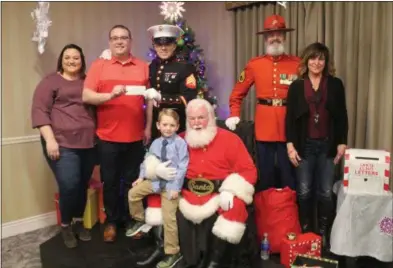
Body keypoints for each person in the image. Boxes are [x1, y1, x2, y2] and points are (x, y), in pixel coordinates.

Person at [143, 99, 258, 267]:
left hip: (217, 194)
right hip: (185, 193)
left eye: (201, 118)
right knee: (155, 194)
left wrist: (231, 190)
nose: (196, 123)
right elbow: (155, 158)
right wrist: (157, 168)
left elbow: (249, 170)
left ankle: (215, 262)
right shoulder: (178, 140)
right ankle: (165, 250)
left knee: (236, 206)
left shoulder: (230, 140)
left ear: (211, 117)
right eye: (192, 118)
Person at [82, 24, 159, 242]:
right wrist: (109, 96)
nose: (119, 41)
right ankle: (112, 221)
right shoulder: (99, 66)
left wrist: (147, 126)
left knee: (133, 181)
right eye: (114, 38)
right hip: (108, 138)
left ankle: (132, 219)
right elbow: (87, 96)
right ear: (109, 42)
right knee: (111, 182)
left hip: (136, 136)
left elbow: (149, 100)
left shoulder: (143, 66)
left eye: (123, 37)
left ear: (130, 41)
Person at [31, 44, 96, 248]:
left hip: (88, 143)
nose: (71, 61)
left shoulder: (88, 82)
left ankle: (77, 222)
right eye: (67, 57)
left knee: (82, 184)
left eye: (76, 58)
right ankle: (66, 224)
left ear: (82, 60)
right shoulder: (50, 82)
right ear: (61, 59)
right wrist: (50, 140)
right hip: (61, 143)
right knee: (69, 184)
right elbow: (40, 111)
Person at [226, 14, 300, 191]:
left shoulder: (297, 63)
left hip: (288, 127)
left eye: (279, 33)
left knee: (289, 175)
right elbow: (237, 93)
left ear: (284, 36)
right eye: (270, 34)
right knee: (265, 176)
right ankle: (265, 214)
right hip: (264, 127)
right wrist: (234, 114)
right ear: (265, 38)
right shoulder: (255, 64)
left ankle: (289, 215)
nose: (275, 37)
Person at [285, 42, 348, 249]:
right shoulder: (296, 87)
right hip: (305, 146)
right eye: (313, 58)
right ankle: (306, 232)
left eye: (321, 58)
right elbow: (290, 119)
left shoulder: (336, 84)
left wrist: (342, 142)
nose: (317, 62)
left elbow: (342, 117)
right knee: (303, 192)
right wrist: (290, 145)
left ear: (326, 62)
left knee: (325, 193)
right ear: (306, 60)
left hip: (328, 146)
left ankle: (323, 234)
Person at [99, 24, 199, 140]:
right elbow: (131, 73)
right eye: (159, 44)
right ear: (154, 45)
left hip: (177, 126)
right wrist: (112, 57)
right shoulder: (151, 66)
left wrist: (161, 97)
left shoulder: (185, 68)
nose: (163, 48)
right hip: (155, 127)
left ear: (174, 45)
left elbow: (189, 99)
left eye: (167, 44)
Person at [128, 108, 188, 268]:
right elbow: (147, 161)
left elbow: (182, 167)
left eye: (172, 125)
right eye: (165, 124)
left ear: (177, 126)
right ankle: (139, 220)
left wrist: (176, 187)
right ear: (158, 125)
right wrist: (141, 177)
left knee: (169, 219)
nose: (168, 128)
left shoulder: (180, 144)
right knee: (132, 193)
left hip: (170, 186)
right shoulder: (155, 143)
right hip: (155, 182)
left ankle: (173, 252)